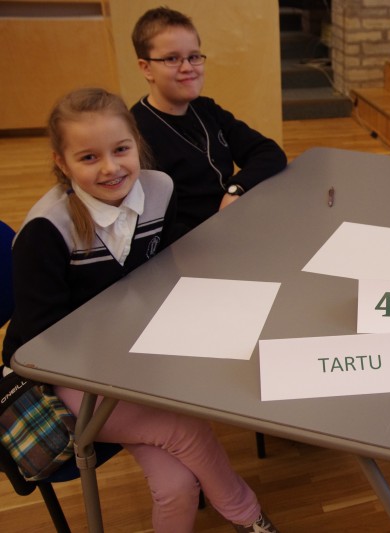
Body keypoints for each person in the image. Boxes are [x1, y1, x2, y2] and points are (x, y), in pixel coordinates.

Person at [1, 88, 278, 533]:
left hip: (135, 356)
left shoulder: (159, 188)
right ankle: (250, 517)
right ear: (62, 162)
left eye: (121, 150)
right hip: (66, 375)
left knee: (176, 485)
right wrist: (127, 353)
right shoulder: (47, 230)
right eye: (89, 157)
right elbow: (39, 345)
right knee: (186, 428)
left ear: (137, 144)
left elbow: (159, 269)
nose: (111, 168)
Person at [130, 6, 287, 231]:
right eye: (172, 59)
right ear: (146, 68)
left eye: (194, 57)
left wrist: (236, 189)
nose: (188, 68)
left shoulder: (206, 109)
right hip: (190, 241)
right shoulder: (136, 131)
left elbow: (269, 152)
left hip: (233, 222)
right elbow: (151, 219)